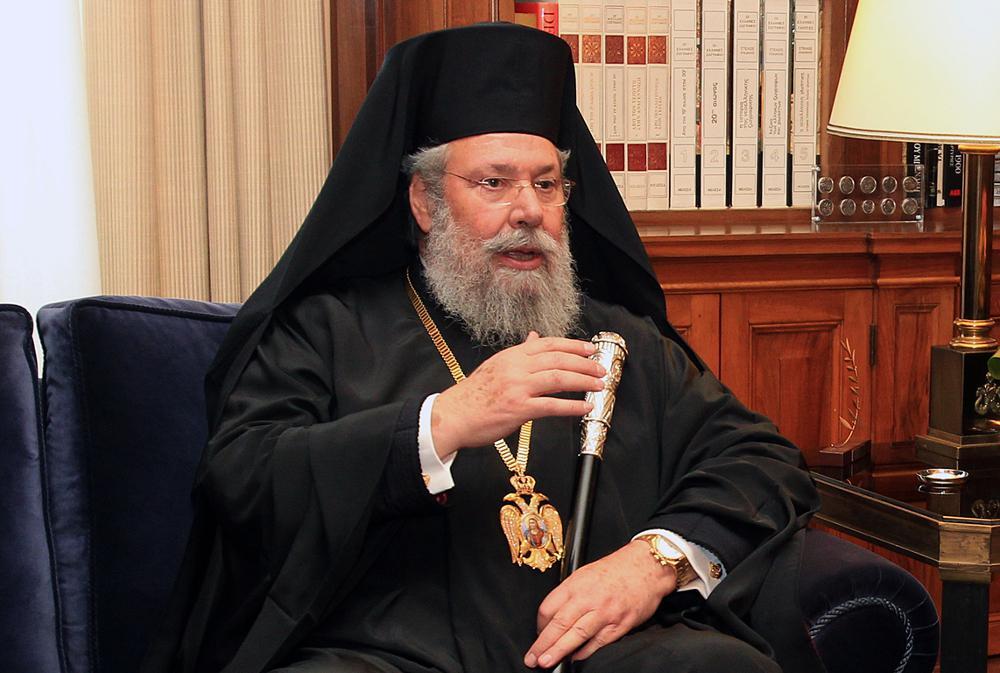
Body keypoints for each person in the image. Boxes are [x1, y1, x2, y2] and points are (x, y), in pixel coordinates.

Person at [142, 23, 820, 673]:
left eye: (547, 184)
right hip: (388, 654)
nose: (529, 211)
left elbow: (759, 459)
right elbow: (244, 477)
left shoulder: (619, 340)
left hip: (600, 655)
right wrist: (437, 425)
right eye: (494, 183)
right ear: (424, 201)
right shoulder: (325, 330)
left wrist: (652, 561)